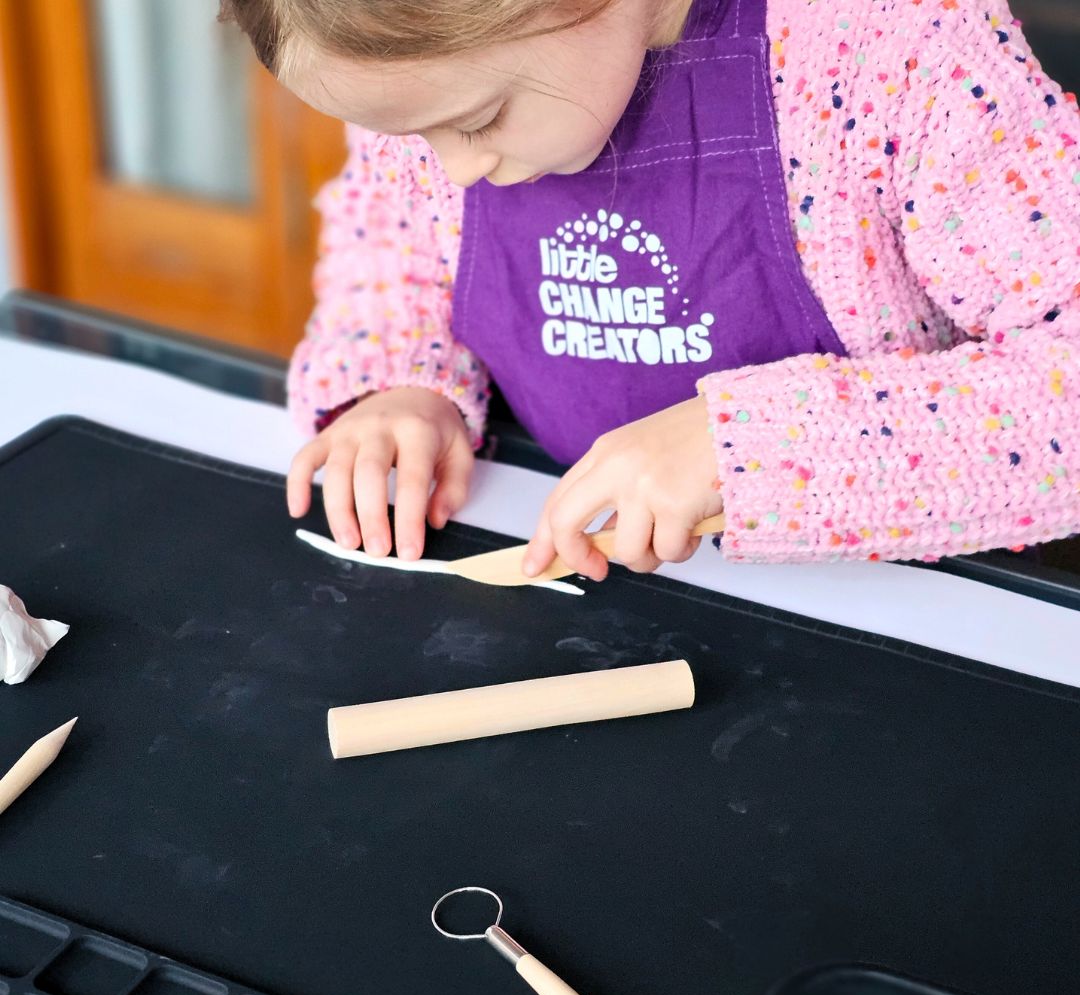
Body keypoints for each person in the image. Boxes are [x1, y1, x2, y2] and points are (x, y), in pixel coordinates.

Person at [220, 0, 1079, 579]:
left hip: (909, 606)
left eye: (480, 119)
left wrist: (744, 450)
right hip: (608, 581)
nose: (458, 168)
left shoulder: (902, 52)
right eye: (409, 134)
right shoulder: (432, 69)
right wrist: (399, 381)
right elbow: (390, 235)